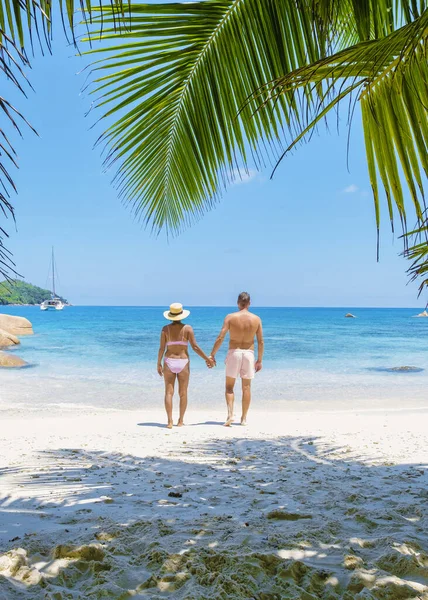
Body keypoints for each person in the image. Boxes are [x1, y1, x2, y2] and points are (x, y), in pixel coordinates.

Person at [209, 292, 264, 426]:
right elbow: (260, 341)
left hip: (234, 352)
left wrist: (212, 354)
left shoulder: (230, 317)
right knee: (246, 387)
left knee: (229, 387)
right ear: (249, 303)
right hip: (249, 354)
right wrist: (259, 360)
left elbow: (220, 337)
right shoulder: (256, 319)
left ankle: (230, 414)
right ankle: (244, 418)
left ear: (238, 303)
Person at [157, 303, 213, 428]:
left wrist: (158, 363)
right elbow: (195, 347)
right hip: (183, 361)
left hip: (168, 360)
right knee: (183, 392)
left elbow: (161, 348)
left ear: (170, 315)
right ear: (181, 315)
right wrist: (207, 359)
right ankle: (180, 421)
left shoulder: (165, 329)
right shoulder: (188, 329)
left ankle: (169, 421)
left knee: (168, 392)